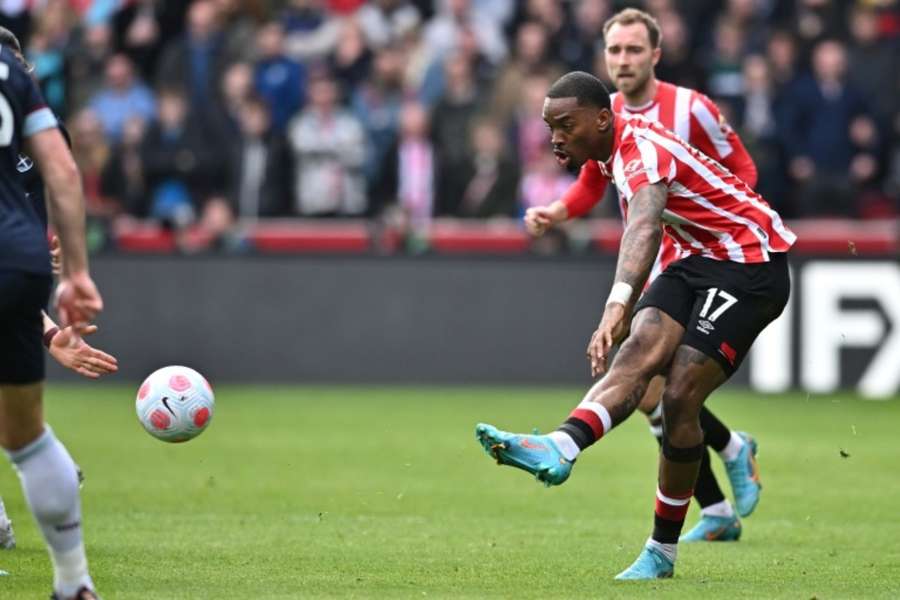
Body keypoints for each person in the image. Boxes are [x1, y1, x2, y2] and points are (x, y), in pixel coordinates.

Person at [476, 70, 794, 580]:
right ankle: (561, 445)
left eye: (564, 124)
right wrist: (557, 212)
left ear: (601, 118)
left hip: (749, 263)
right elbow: (594, 195)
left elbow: (645, 225)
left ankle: (663, 549)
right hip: (694, 257)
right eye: (548, 126)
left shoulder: (643, 146)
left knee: (680, 394)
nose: (554, 136)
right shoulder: (606, 147)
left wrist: (615, 304)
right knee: (638, 355)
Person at [523, 8, 761, 542]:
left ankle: (721, 481)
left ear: (655, 54)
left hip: (701, 257)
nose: (623, 60)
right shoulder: (594, 117)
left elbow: (739, 171)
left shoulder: (691, 109)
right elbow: (591, 181)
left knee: (662, 389)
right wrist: (556, 212)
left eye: (634, 50)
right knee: (654, 395)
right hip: (648, 257)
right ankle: (723, 485)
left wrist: (731, 230)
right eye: (614, 51)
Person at [0, 27, 104, 600]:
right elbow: (66, 174)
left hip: (17, 262)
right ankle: (74, 583)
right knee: (27, 438)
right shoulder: (18, 86)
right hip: (20, 263)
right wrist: (77, 276)